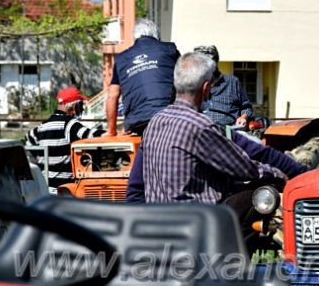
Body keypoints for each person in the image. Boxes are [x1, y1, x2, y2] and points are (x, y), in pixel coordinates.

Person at [141, 52, 287, 204]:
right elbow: (243, 168)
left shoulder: (155, 122)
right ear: (205, 88)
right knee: (261, 194)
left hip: (159, 215)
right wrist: (277, 174)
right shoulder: (200, 126)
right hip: (198, 218)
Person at [126, 130, 309, 202]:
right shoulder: (207, 129)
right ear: (205, 90)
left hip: (156, 223)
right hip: (200, 225)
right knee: (257, 194)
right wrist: (300, 175)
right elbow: (250, 166)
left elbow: (134, 192)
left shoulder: (152, 131)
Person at [105, 18, 180, 136]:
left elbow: (112, 96)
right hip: (170, 117)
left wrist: (111, 131)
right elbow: (185, 80)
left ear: (135, 37)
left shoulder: (121, 59)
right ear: (156, 36)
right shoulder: (169, 50)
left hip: (137, 122)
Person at [26, 86, 105, 194]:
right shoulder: (70, 125)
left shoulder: (42, 127)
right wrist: (111, 133)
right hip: (64, 189)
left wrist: (40, 158)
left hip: (45, 188)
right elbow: (91, 135)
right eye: (80, 105)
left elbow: (27, 140)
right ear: (74, 106)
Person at [193, 45, 253, 128]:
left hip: (229, 133)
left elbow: (247, 108)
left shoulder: (232, 82)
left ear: (216, 63)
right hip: (202, 133)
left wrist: (243, 117)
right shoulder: (193, 85)